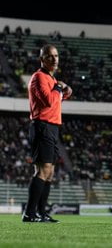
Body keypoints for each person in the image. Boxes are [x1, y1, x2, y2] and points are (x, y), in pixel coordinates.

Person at [23, 45, 72, 223]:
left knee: (49, 172)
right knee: (43, 170)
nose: (54, 59)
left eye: (56, 56)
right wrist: (58, 88)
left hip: (51, 127)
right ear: (42, 59)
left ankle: (41, 213)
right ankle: (29, 213)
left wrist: (65, 92)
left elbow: (56, 100)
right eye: (49, 56)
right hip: (42, 126)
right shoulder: (39, 77)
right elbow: (49, 101)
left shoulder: (51, 79)